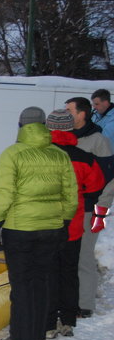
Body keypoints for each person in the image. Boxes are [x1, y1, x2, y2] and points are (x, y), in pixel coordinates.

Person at [0, 107, 77, 340]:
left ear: (20, 126)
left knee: (22, 283)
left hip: (20, 229)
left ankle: (21, 338)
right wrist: (64, 221)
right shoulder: (59, 155)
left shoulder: (12, 154)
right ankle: (37, 334)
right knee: (41, 280)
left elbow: (4, 196)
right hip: (51, 228)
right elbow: (71, 196)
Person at [43, 109, 104, 339]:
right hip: (74, 224)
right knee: (69, 272)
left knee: (49, 273)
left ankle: (48, 322)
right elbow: (95, 186)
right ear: (71, 129)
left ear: (49, 129)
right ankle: (68, 319)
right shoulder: (84, 157)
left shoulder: (42, 156)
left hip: (47, 223)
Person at [65, 97, 114, 317]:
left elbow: (109, 178)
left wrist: (102, 208)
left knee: (84, 256)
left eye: (69, 110)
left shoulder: (98, 141)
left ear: (82, 114)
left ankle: (84, 304)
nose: (66, 114)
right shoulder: (63, 139)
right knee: (65, 256)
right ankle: (66, 300)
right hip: (65, 208)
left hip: (88, 207)